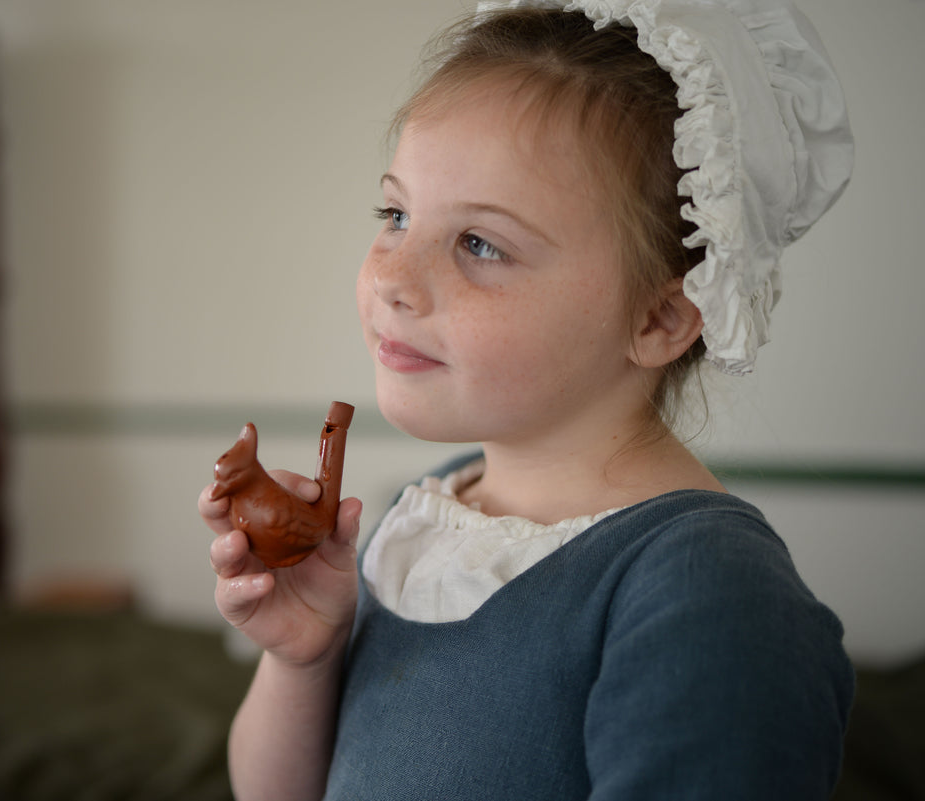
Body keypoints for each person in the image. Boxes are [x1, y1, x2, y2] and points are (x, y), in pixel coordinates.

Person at [199, 1, 855, 798]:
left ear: (660, 318)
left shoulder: (709, 593)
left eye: (481, 244)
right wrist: (304, 657)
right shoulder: (425, 515)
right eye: (396, 215)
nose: (394, 282)